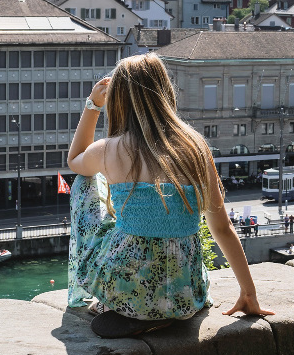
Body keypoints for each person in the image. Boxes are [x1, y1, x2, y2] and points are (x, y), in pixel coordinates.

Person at [66, 53, 274, 339]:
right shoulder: (196, 146)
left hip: (128, 289)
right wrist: (248, 293)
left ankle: (119, 303)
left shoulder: (110, 149)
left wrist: (93, 105)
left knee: (84, 183)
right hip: (186, 295)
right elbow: (222, 229)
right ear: (165, 91)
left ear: (119, 100)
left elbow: (75, 159)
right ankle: (163, 311)